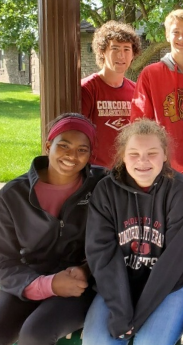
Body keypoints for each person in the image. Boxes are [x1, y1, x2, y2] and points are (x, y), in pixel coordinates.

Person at [83, 119, 183, 345]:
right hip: (119, 283)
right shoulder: (106, 191)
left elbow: (173, 261)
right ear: (123, 156)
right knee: (97, 340)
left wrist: (138, 317)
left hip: (170, 286)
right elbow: (101, 253)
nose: (143, 161)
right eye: (134, 153)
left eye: (152, 153)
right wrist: (121, 311)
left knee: (149, 342)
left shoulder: (182, 191)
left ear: (165, 154)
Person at [0, 113, 105, 345]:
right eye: (64, 146)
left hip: (80, 283)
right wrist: (45, 285)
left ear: (90, 155)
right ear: (48, 146)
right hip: (29, 278)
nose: (71, 155)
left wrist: (86, 270)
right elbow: (3, 261)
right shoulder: (13, 195)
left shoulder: (101, 186)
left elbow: (114, 239)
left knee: (35, 334)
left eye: (82, 150)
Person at [131, 9, 183, 180]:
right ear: (167, 36)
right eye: (175, 32)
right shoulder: (151, 73)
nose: (181, 38)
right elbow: (139, 121)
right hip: (162, 168)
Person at [81, 20, 142, 168]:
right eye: (115, 49)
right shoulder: (87, 88)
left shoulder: (136, 90)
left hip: (128, 171)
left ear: (133, 54)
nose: (121, 55)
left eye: (127, 49)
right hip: (95, 172)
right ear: (102, 52)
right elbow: (78, 134)